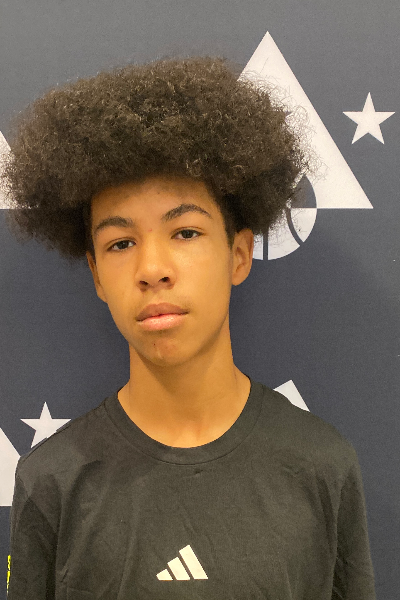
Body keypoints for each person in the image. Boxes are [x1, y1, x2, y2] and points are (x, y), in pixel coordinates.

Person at [3, 56, 376, 599]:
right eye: (121, 243)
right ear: (97, 275)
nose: (152, 268)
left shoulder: (322, 465)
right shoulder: (51, 481)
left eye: (185, 232)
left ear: (239, 255)